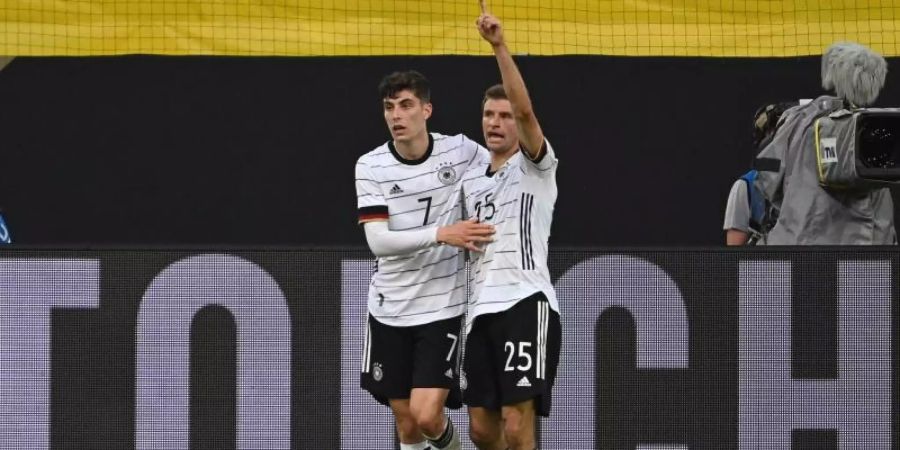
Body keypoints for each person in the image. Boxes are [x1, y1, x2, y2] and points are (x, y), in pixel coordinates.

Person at [354, 70, 493, 450]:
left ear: (427, 110)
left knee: (428, 414)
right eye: (389, 108)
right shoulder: (370, 166)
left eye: (406, 106)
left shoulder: (462, 151)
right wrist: (442, 234)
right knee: (407, 422)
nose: (396, 115)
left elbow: (503, 170)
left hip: (442, 306)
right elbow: (378, 242)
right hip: (389, 307)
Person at [459, 9, 562, 450]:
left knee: (517, 426)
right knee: (482, 432)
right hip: (478, 312)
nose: (495, 122)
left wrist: (499, 46)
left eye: (503, 116)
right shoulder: (468, 179)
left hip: (524, 301)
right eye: (488, 114)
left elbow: (525, 109)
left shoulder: (536, 167)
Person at [755, 42, 896, 244]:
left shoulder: (801, 120)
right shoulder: (808, 122)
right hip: (825, 246)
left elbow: (768, 178)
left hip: (818, 242)